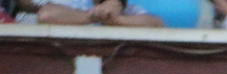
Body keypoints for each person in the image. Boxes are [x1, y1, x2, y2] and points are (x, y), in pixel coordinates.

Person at [33, 0, 163, 25]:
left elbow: (156, 23)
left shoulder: (130, 9)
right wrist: (93, 16)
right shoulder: (73, 2)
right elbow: (46, 15)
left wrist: (115, 20)